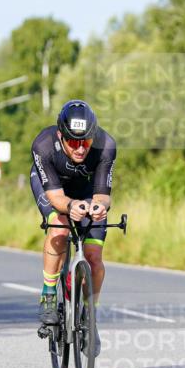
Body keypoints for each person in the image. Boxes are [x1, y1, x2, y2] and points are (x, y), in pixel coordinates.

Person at [30, 99, 116, 354]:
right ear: (61, 135)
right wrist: (70, 206)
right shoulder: (43, 145)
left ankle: (90, 316)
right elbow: (57, 199)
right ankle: (48, 295)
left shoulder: (106, 145)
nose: (80, 148)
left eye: (86, 142)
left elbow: (103, 194)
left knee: (94, 257)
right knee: (60, 225)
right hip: (54, 188)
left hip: (87, 190)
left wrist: (99, 206)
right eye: (74, 142)